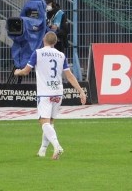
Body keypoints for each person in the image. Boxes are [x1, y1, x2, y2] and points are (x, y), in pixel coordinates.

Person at [13, 31, 87, 160]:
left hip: (45, 92)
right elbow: (69, 76)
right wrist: (80, 90)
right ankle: (42, 150)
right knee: (50, 122)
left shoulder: (38, 53)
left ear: (43, 40)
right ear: (55, 42)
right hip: (58, 92)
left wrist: (17, 72)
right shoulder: (61, 55)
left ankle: (57, 146)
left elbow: (26, 71)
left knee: (43, 121)